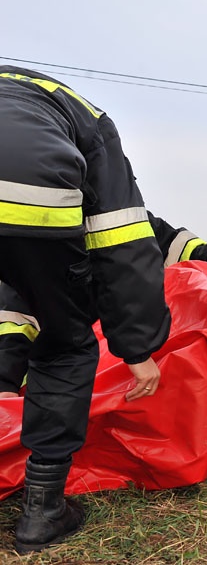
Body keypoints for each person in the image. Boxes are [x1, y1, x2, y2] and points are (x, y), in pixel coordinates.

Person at [0, 65, 171, 552]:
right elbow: (122, 239)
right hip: (28, 194)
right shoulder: (89, 121)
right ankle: (42, 512)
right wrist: (136, 347)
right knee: (64, 345)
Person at [0, 213, 207, 397]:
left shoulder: (120, 214)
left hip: (124, 361)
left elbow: (170, 241)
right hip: (69, 364)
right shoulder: (37, 232)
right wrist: (5, 383)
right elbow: (16, 316)